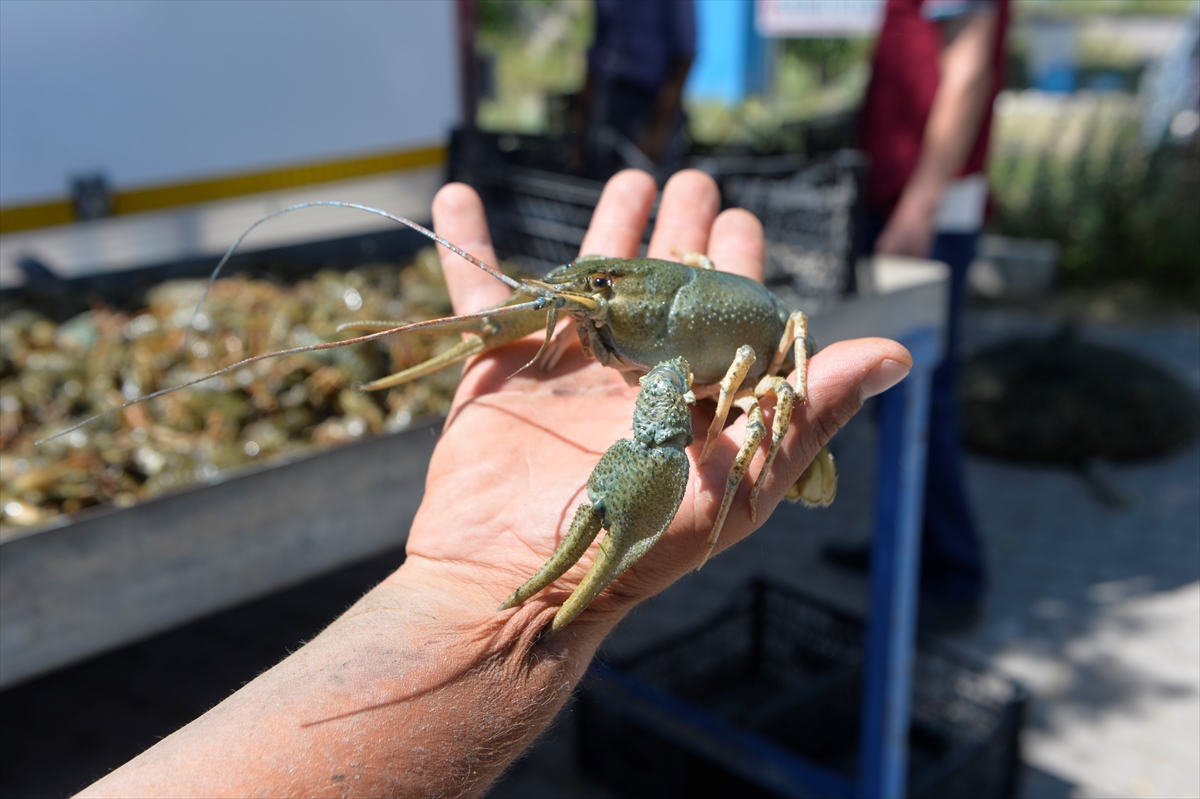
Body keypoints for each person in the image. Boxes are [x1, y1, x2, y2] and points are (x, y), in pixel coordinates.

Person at [77, 169, 911, 798]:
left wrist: (471, 603)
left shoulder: (678, 373)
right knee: (566, 298)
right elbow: (583, 292)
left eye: (606, 287)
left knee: (659, 404)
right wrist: (463, 594)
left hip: (751, 358)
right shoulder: (602, 299)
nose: (590, 298)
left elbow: (691, 386)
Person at [827, 0, 1009, 630]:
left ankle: (955, 576)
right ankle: (903, 548)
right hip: (895, 199)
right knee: (895, 391)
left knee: (925, 392)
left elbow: (967, 69)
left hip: (924, 213)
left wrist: (918, 207)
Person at [579, 0, 695, 178]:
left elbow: (685, 55)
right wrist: (581, 120)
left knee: (644, 181)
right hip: (608, 98)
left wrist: (659, 129)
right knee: (599, 181)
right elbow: (596, 47)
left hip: (650, 104)